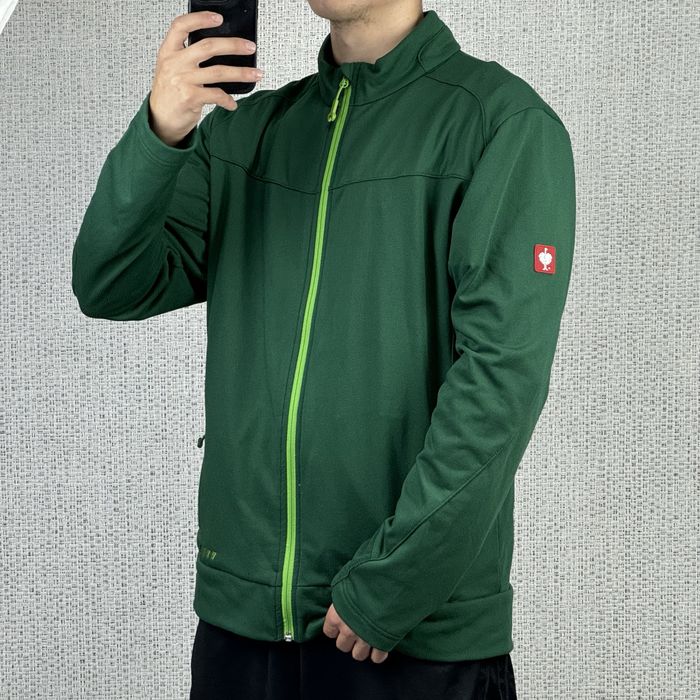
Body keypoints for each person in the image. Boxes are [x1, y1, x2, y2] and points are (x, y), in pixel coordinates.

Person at [71, 1, 575, 698]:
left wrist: (391, 586)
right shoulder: (243, 133)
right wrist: (163, 129)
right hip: (241, 633)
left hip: (406, 638)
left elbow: (501, 383)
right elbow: (110, 283)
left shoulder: (500, 123)